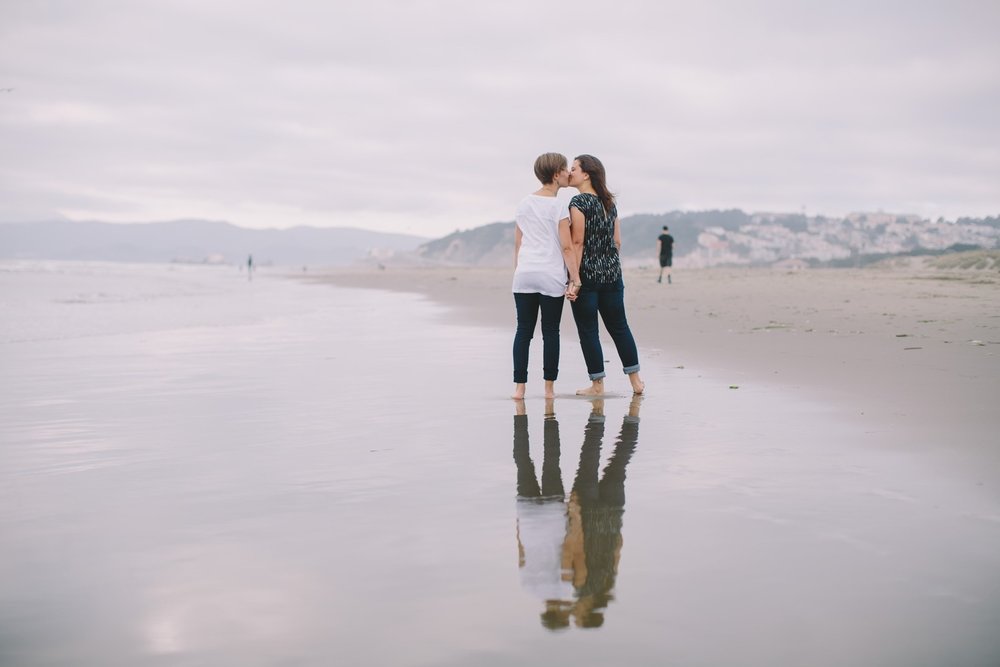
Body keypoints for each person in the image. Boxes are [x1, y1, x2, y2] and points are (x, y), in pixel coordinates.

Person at [566, 154, 645, 396]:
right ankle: (636, 382)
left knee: (589, 330)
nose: (570, 172)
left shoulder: (578, 202)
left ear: (586, 174)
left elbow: (577, 241)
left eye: (574, 168)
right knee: (620, 327)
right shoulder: (609, 203)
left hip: (587, 277)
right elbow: (617, 241)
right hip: (612, 275)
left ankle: (597, 385)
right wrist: (608, 263)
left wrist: (574, 279)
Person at [511, 153, 582, 400]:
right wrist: (575, 278)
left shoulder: (523, 203)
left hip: (524, 275)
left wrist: (520, 271)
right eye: (565, 169)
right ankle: (549, 390)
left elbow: (518, 244)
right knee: (550, 331)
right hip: (550, 274)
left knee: (523, 331)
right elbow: (566, 247)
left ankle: (519, 389)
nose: (568, 173)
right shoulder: (558, 206)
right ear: (555, 175)